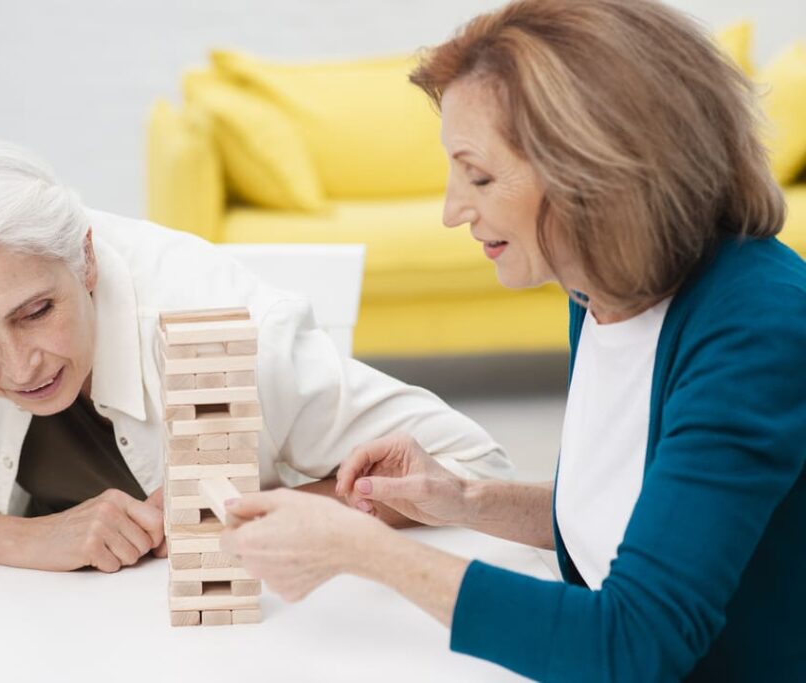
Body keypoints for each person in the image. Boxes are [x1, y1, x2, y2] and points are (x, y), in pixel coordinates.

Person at [219, 0, 806, 680]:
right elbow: (626, 524)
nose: (450, 210)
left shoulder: (756, 331)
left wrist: (363, 550)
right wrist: (459, 497)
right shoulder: (600, 288)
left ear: (594, 175)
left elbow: (634, 643)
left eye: (480, 175)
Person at [0, 139, 512, 572]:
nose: (19, 365)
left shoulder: (219, 312)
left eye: (36, 312)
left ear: (87, 261)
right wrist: (26, 541)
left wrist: (262, 515)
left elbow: (467, 466)